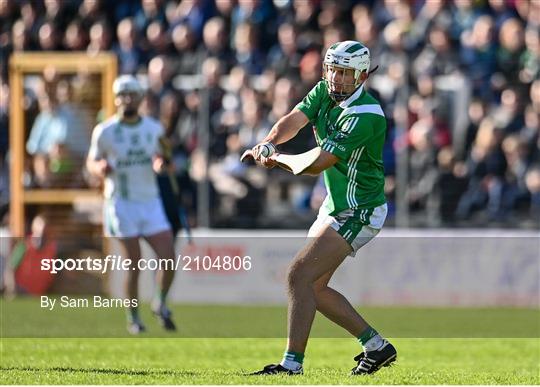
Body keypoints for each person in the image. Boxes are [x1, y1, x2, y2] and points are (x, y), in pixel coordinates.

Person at [249, 41, 396, 375]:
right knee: (313, 286)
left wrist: (276, 159)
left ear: (361, 76)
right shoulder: (326, 91)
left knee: (297, 275)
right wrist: (270, 141)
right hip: (336, 205)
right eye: (332, 69)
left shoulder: (365, 115)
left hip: (360, 210)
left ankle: (291, 365)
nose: (336, 78)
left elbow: (318, 162)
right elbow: (295, 119)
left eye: (344, 73)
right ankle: (377, 347)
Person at [86, 75, 177, 334]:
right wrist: (99, 167)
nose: (127, 99)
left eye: (132, 95)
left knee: (168, 258)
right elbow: (91, 162)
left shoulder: (153, 129)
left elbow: (165, 158)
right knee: (134, 263)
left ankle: (160, 301)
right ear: (116, 99)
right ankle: (134, 317)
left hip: (150, 202)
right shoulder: (105, 131)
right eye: (122, 95)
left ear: (140, 98)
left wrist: (162, 164)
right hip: (121, 204)